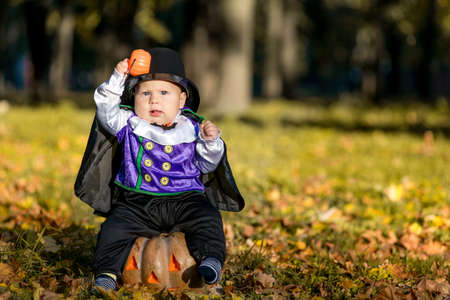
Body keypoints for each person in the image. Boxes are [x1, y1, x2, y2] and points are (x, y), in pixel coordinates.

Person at [81, 47, 244, 292]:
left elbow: (206, 165)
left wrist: (211, 143)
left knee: (208, 218)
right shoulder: (129, 124)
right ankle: (107, 273)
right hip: (137, 202)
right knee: (113, 229)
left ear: (181, 100)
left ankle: (211, 259)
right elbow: (105, 107)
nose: (154, 100)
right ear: (132, 97)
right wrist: (118, 77)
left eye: (164, 92)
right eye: (145, 93)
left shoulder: (190, 128)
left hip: (185, 198)